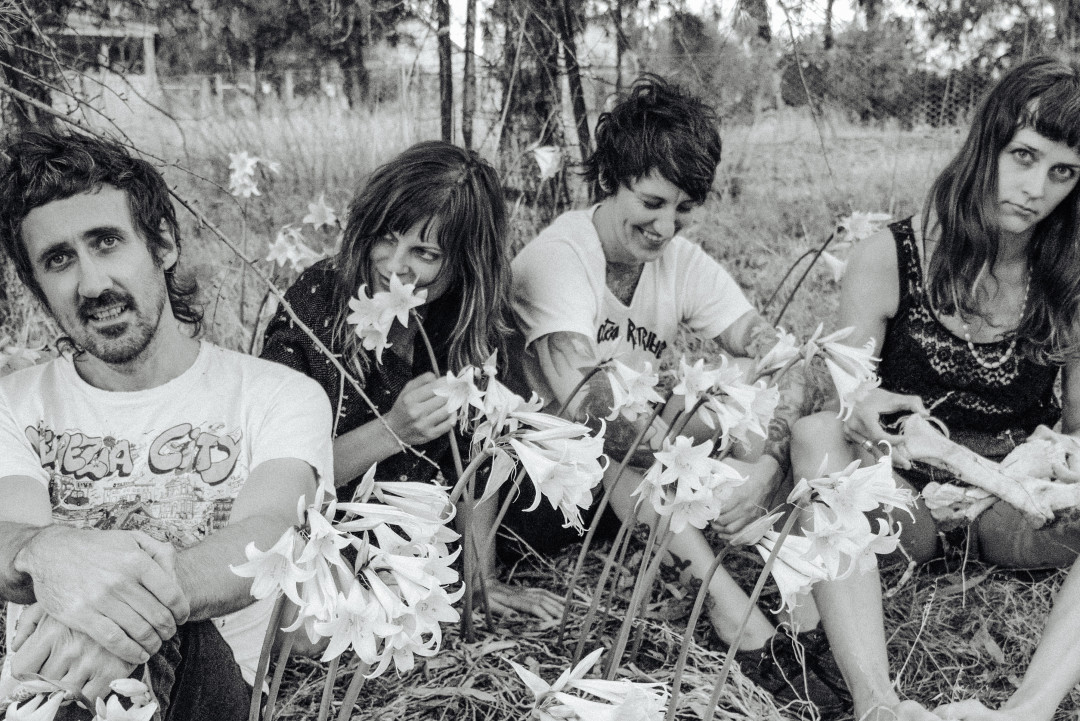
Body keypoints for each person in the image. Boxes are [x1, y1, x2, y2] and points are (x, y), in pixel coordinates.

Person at [509, 75, 849, 714]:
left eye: (684, 208)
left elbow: (789, 361)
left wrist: (764, 464)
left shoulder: (679, 262)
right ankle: (734, 618)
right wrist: (690, 458)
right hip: (545, 489)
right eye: (652, 201)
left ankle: (801, 609)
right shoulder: (560, 258)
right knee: (624, 430)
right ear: (613, 177)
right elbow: (591, 406)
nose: (666, 227)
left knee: (759, 409)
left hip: (640, 461)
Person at [0, 126, 333, 720]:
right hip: (50, 692)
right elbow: (9, 531)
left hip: (201, 687)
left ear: (162, 244)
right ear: (36, 287)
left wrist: (113, 609)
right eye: (58, 260)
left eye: (106, 242)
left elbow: (269, 534)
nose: (93, 283)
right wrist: (41, 551)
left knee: (172, 635)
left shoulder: (279, 395)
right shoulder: (15, 404)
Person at [790, 55, 1080, 721]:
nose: (1036, 187)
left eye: (1062, 172)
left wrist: (1064, 473)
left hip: (1017, 509)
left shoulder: (1066, 278)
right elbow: (844, 392)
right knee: (816, 434)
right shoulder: (890, 256)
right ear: (988, 143)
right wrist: (859, 404)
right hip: (905, 504)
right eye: (1025, 155)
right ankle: (878, 704)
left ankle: (1024, 713)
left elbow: (1074, 427)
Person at [260, 141, 562, 622]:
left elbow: (477, 460)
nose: (394, 266)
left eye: (424, 252)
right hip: (317, 540)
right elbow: (276, 480)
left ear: (465, 262)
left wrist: (480, 578)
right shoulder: (318, 303)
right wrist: (393, 430)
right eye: (386, 237)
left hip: (417, 547)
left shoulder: (466, 322)